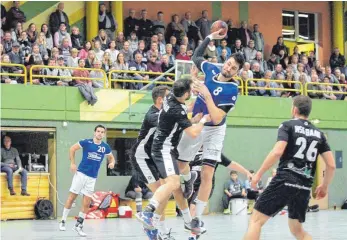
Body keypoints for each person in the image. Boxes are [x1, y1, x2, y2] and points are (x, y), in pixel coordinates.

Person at [175, 28, 245, 235]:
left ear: (237, 72)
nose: (229, 67)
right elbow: (196, 56)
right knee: (181, 163)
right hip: (197, 123)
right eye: (228, 63)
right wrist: (209, 38)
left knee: (207, 174)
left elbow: (217, 117)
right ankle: (188, 182)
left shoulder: (233, 90)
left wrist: (205, 93)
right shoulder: (213, 69)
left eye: (233, 67)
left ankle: (197, 219)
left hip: (214, 130)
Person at [243, 95, 336, 240]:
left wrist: (258, 174)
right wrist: (324, 186)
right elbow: (331, 165)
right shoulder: (319, 134)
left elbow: (277, 151)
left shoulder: (288, 125)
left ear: (294, 109)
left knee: (255, 221)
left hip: (285, 179)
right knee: (298, 231)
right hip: (304, 186)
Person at [136, 79, 210, 238]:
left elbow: (183, 112)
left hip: (165, 149)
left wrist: (194, 114)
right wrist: (204, 120)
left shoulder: (171, 99)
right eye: (190, 91)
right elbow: (193, 133)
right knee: (173, 184)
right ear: (184, 94)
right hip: (163, 149)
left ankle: (187, 222)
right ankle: (148, 213)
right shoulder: (175, 109)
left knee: (176, 188)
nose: (191, 93)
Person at [59, 125, 116, 237]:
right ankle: (63, 221)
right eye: (98, 131)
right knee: (71, 198)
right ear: (94, 132)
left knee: (86, 203)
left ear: (104, 134)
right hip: (80, 174)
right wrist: (72, 163)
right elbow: (72, 149)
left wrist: (112, 162)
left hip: (92, 178)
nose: (100, 133)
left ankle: (78, 225)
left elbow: (111, 157)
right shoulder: (86, 142)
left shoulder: (105, 147)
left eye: (102, 132)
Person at [188, 150, 251, 218]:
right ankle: (192, 224)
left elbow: (231, 164)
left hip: (205, 186)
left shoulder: (214, 153)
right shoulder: (191, 151)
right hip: (190, 186)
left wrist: (246, 172)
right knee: (189, 210)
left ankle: (193, 225)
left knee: (193, 207)